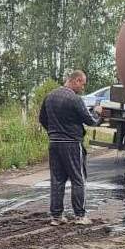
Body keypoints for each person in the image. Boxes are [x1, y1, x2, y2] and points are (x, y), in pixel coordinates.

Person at [38, 70, 100, 225]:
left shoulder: (49, 97)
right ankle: (80, 216)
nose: (83, 88)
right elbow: (91, 121)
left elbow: (42, 119)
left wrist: (53, 132)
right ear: (76, 80)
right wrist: (98, 113)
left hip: (54, 143)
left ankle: (56, 217)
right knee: (78, 179)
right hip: (72, 143)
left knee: (57, 180)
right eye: (83, 84)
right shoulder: (75, 99)